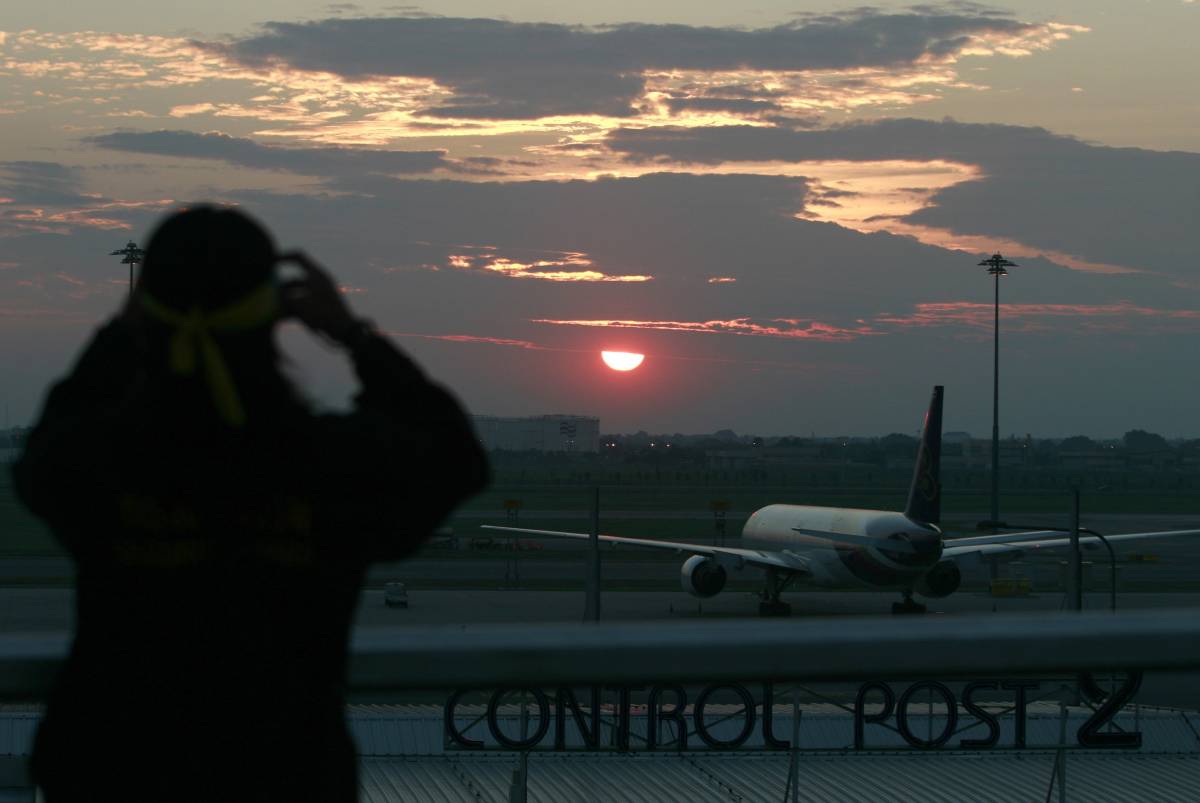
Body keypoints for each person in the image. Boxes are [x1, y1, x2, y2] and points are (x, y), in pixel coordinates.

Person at [12, 206, 489, 802]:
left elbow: (45, 455)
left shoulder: (109, 459)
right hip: (285, 774)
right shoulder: (325, 463)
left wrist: (121, 332)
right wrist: (352, 333)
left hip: (113, 772)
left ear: (147, 315)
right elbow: (454, 455)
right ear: (275, 315)